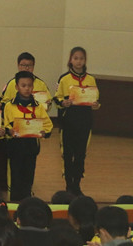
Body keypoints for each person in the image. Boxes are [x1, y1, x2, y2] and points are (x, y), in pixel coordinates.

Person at [54, 47, 99, 196]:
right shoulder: (64, 78)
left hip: (85, 122)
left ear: (85, 60)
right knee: (67, 154)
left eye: (81, 58)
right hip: (68, 123)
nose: (78, 61)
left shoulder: (91, 79)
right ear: (70, 60)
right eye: (76, 58)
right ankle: (68, 184)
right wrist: (63, 102)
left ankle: (77, 184)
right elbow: (57, 97)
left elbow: (95, 99)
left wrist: (96, 105)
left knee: (80, 155)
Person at [3, 71, 53, 201]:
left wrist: (44, 132)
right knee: (15, 176)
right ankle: (14, 202)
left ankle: (26, 201)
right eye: (23, 85)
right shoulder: (9, 106)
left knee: (28, 176)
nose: (27, 88)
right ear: (17, 87)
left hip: (31, 147)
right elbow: (5, 123)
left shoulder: (38, 107)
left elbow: (48, 124)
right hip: (15, 147)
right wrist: (9, 131)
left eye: (29, 85)